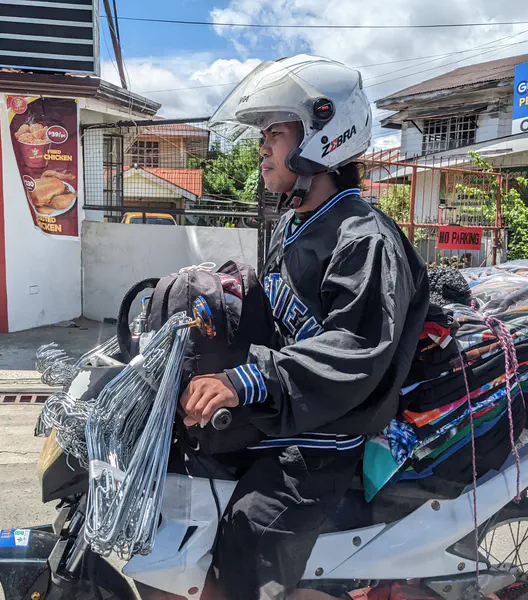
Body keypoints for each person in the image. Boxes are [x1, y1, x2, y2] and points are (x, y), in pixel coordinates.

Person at [179, 55, 430, 600]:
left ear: (323, 133)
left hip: (326, 440)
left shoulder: (364, 239)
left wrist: (247, 380)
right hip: (287, 418)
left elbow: (355, 348)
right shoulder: (300, 226)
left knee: (244, 542)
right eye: (263, 134)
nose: (262, 147)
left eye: (274, 131)